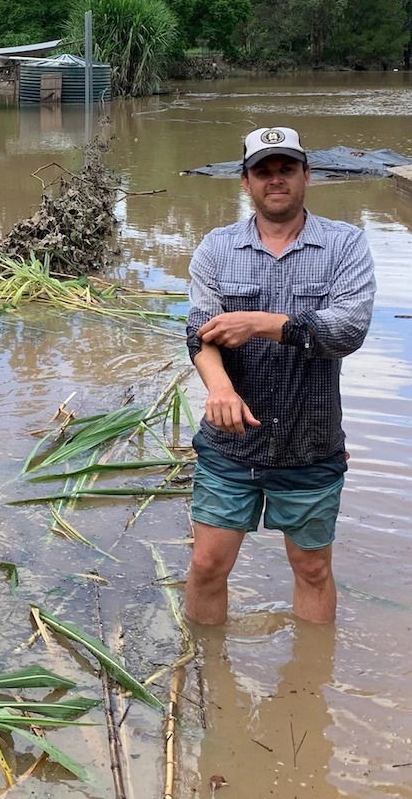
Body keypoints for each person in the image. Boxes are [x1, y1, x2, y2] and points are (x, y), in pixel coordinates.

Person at [184, 127, 375, 626]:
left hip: (309, 444)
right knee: (206, 565)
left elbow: (348, 331)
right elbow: (198, 334)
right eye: (263, 172)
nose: (276, 181)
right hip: (231, 446)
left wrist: (264, 323)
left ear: (307, 176)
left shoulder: (344, 244)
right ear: (245, 182)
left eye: (286, 169)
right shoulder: (216, 248)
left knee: (312, 569)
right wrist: (220, 387)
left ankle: (308, 691)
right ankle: (208, 682)